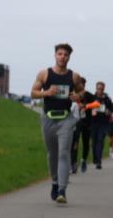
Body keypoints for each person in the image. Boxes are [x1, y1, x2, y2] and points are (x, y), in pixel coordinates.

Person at [31, 43, 85, 204]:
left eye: (66, 55)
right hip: (48, 118)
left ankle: (62, 190)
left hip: (66, 119)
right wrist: (47, 92)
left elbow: (81, 91)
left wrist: (78, 97)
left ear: (69, 57)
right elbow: (33, 93)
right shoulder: (44, 74)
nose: (62, 57)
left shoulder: (73, 76)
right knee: (52, 154)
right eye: (60, 54)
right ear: (55, 55)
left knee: (63, 153)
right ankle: (54, 182)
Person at [89, 81, 113, 170]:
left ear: (104, 89)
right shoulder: (92, 97)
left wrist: (108, 112)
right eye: (98, 88)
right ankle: (95, 158)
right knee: (94, 142)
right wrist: (91, 111)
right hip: (93, 123)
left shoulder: (107, 99)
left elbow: (112, 111)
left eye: (101, 89)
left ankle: (99, 161)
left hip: (103, 123)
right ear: (96, 89)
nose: (100, 90)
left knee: (100, 141)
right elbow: (86, 107)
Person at [70, 78, 94, 175]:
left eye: (81, 84)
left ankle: (83, 160)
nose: (79, 86)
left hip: (86, 122)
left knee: (85, 143)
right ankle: (73, 163)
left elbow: (97, 104)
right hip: (75, 122)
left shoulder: (88, 95)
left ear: (84, 85)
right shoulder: (71, 94)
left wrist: (86, 106)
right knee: (74, 143)